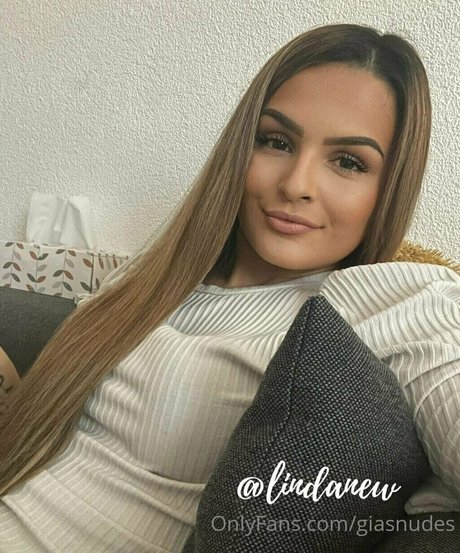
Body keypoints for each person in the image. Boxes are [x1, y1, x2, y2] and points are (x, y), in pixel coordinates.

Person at [0, 22, 459, 553]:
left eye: (348, 162)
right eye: (276, 141)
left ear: (389, 188)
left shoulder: (399, 299)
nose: (296, 184)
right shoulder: (148, 281)